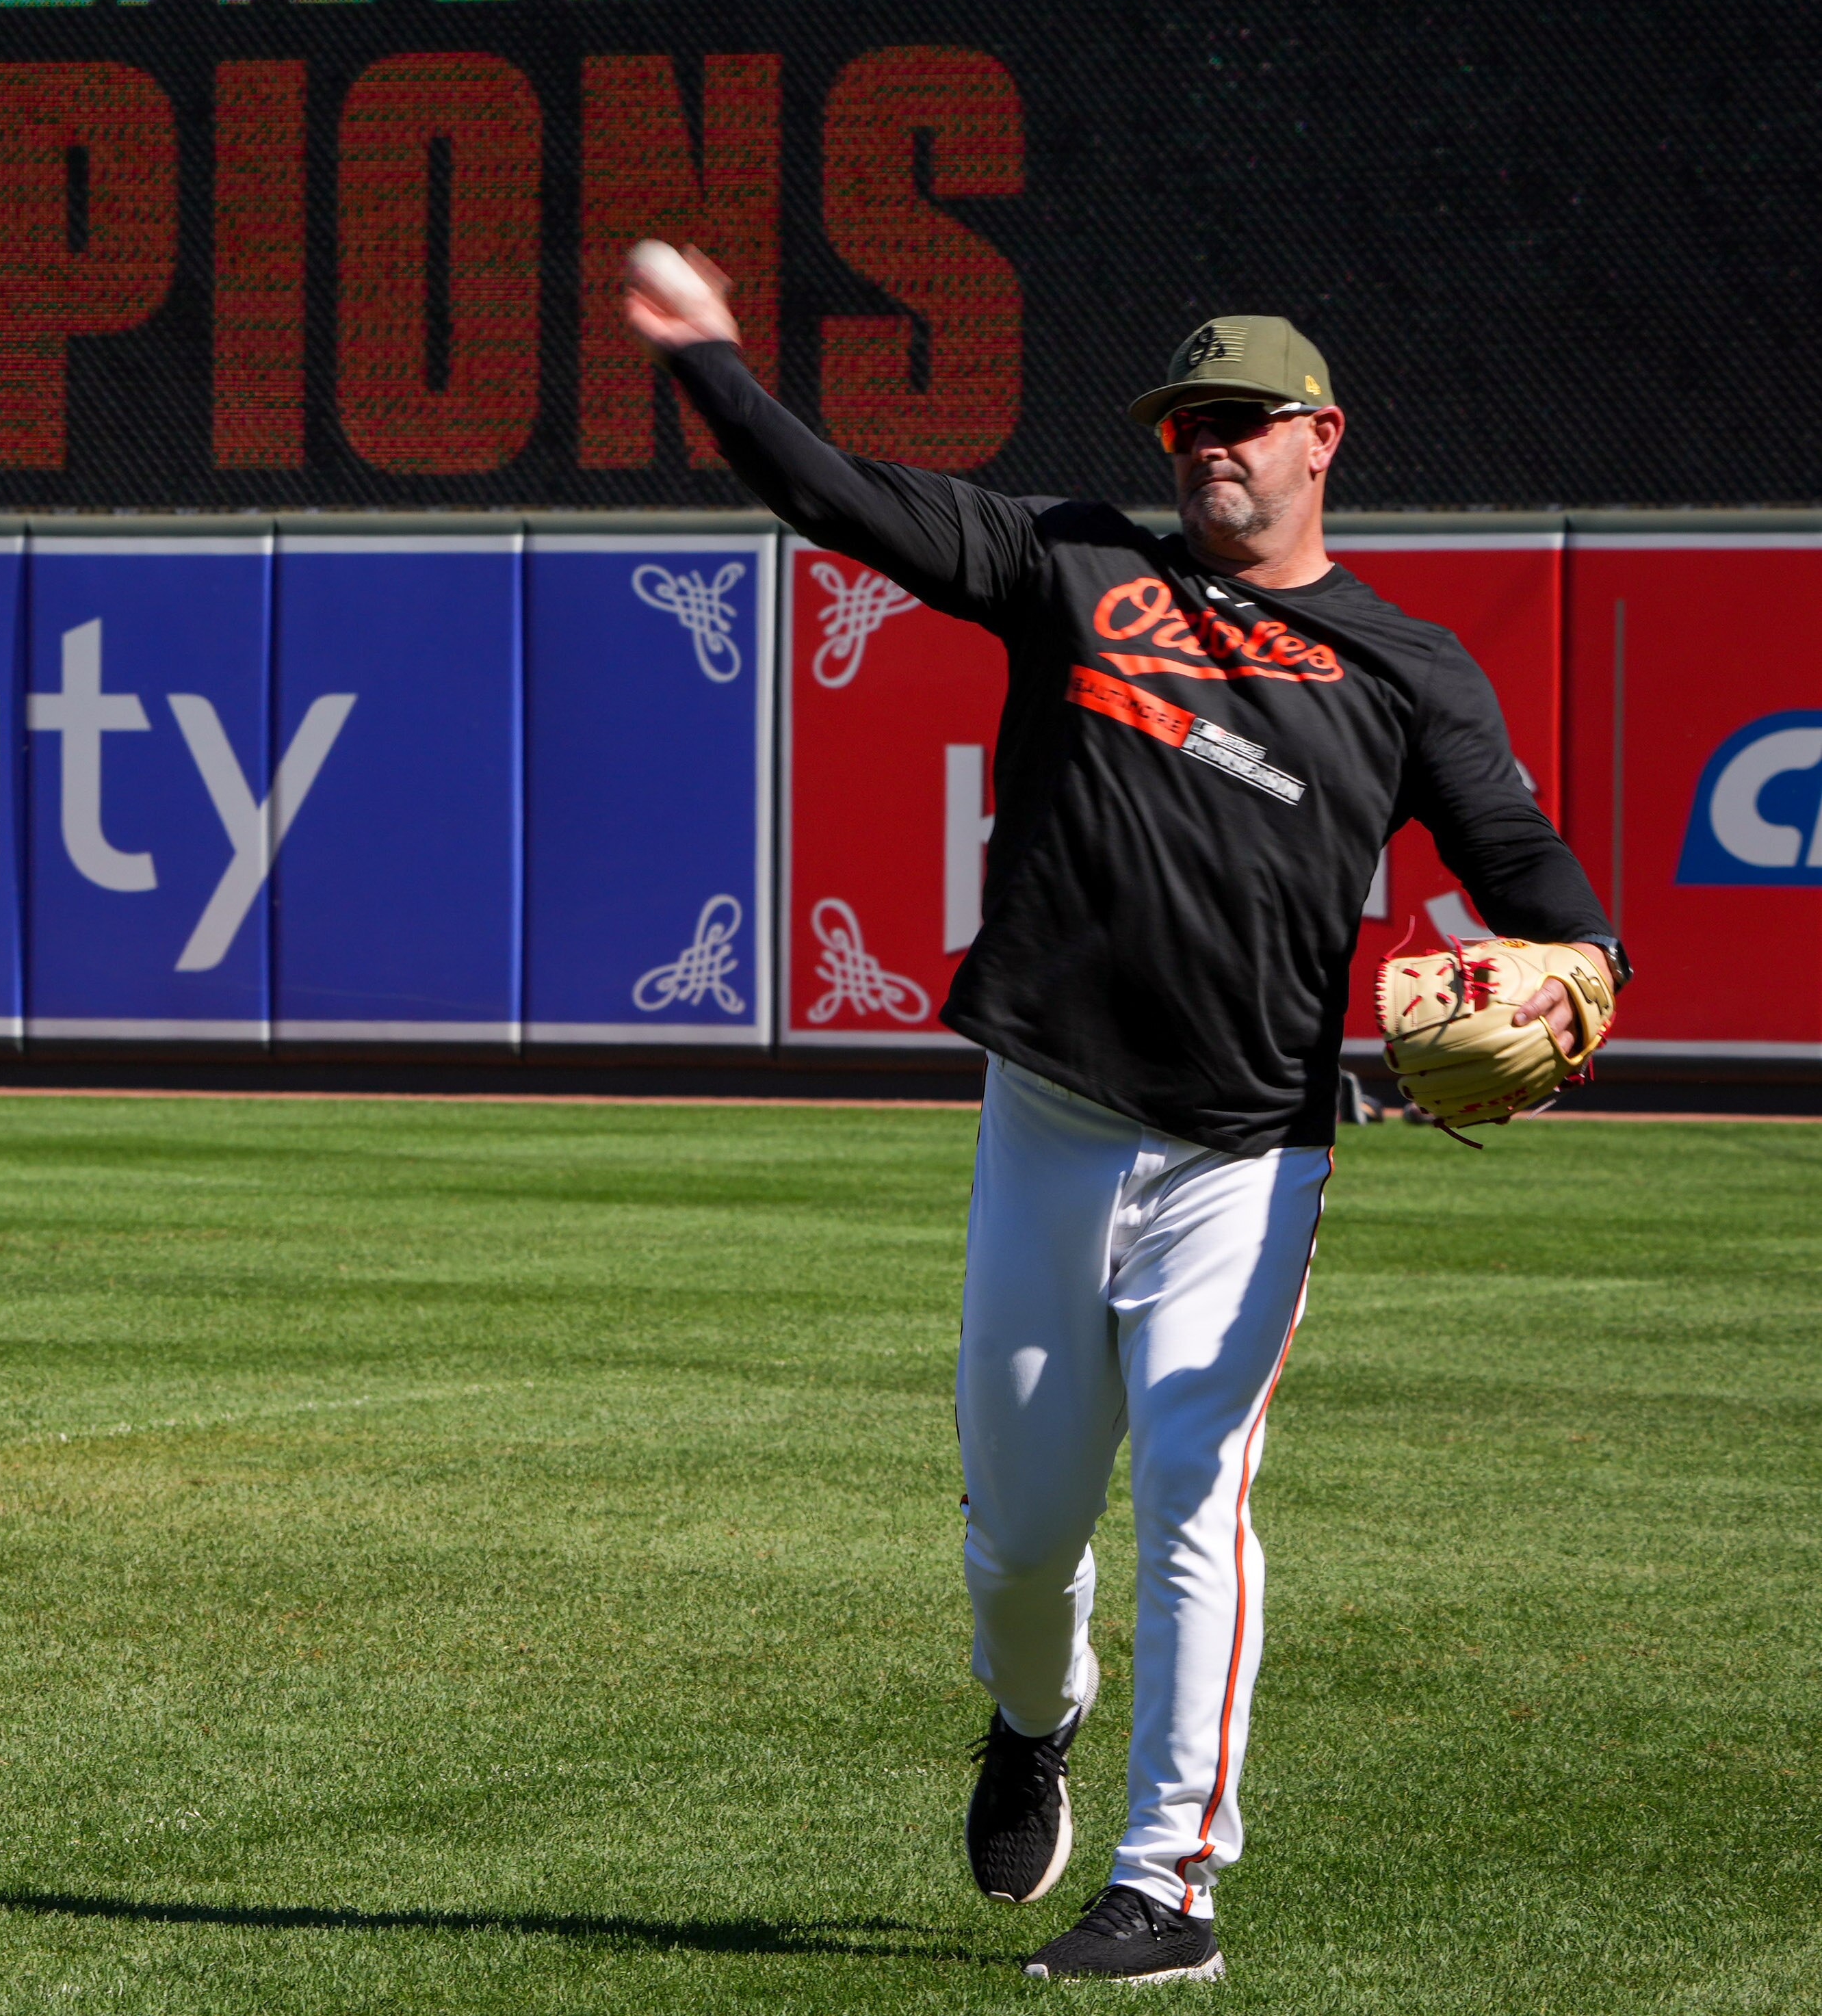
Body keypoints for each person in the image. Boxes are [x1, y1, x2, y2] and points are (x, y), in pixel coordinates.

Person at [619, 244, 1625, 1985]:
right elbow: (838, 499)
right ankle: (1033, 1718)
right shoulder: (1070, 561)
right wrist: (711, 362)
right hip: (1050, 1119)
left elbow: (1520, 866)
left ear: (1322, 436)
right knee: (1017, 1539)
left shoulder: (1402, 667)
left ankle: (1169, 1884)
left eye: (1235, 421)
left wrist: (1578, 954)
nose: (1201, 448)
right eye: (1182, 423)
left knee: (1190, 1490)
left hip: (1247, 1147)